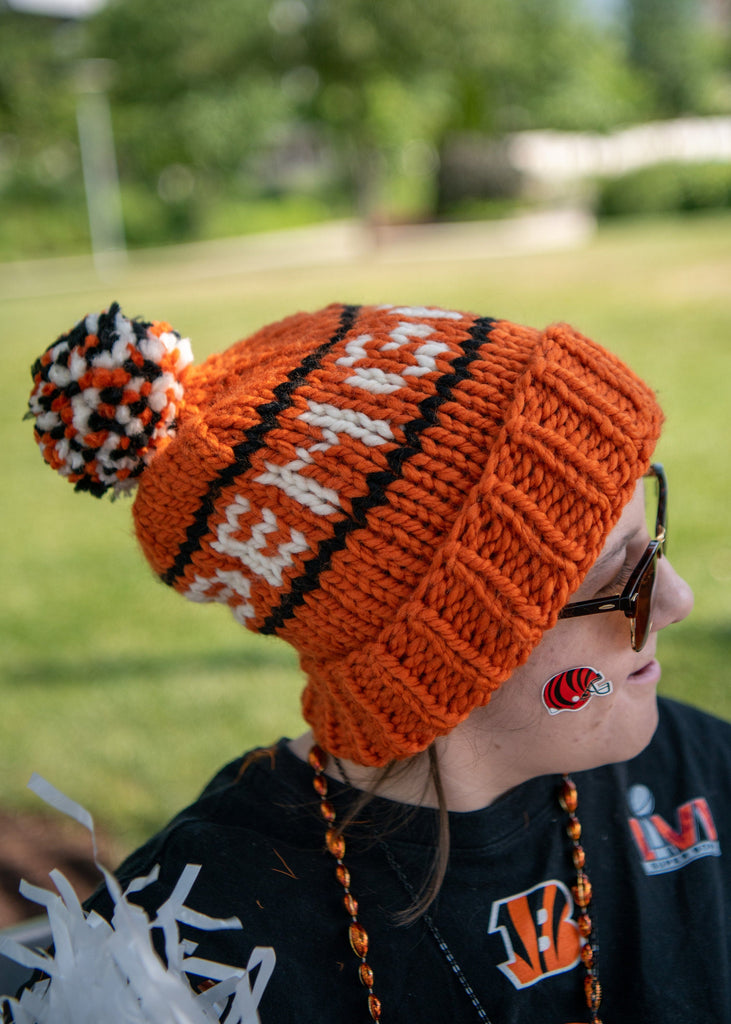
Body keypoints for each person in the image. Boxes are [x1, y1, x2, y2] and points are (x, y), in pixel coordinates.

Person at [23, 301, 730, 1023]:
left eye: (650, 542)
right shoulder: (190, 948)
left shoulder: (696, 771)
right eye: (613, 576)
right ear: (450, 644)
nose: (676, 598)